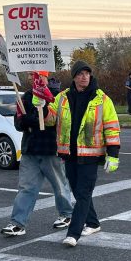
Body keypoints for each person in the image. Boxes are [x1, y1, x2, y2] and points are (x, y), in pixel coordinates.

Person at [46, 60, 120, 247]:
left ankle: (73, 233)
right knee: (79, 192)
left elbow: (111, 128)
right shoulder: (62, 97)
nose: (84, 76)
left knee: (84, 193)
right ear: (74, 76)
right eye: (80, 73)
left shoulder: (102, 99)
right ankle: (93, 223)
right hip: (69, 153)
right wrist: (40, 105)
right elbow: (49, 121)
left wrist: (113, 154)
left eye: (87, 73)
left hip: (91, 154)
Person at [0, 78, 75, 237]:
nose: (37, 77)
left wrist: (32, 121)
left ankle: (67, 214)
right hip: (30, 149)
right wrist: (24, 121)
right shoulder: (26, 96)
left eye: (40, 74)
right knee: (27, 187)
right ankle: (18, 223)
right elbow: (18, 123)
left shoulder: (58, 96)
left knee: (60, 186)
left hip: (51, 148)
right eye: (34, 74)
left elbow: (60, 120)